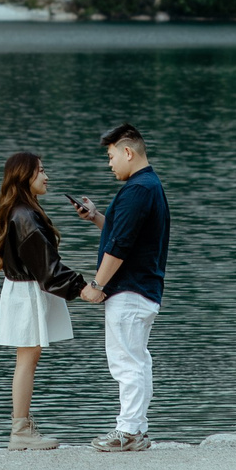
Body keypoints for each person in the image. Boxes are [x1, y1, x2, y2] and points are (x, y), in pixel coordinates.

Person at [72, 120, 169, 452]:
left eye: (112, 156)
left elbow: (120, 246)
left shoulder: (137, 190)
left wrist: (97, 284)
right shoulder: (149, 186)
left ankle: (127, 431)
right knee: (138, 361)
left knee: (125, 362)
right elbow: (126, 232)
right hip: (144, 289)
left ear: (128, 152)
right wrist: (98, 217)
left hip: (129, 290)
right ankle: (138, 429)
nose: (109, 162)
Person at [0, 150, 86, 450]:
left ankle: (23, 426)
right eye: (41, 171)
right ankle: (20, 430)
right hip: (27, 291)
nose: (47, 176)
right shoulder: (25, 215)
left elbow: (45, 266)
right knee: (26, 359)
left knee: (28, 358)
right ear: (25, 176)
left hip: (23, 289)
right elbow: (49, 269)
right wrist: (83, 288)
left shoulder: (20, 211)